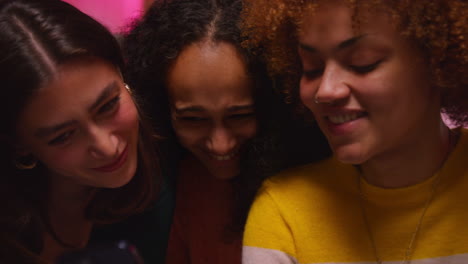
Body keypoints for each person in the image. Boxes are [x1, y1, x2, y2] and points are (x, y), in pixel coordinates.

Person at [241, 0, 468, 263]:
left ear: (438, 61)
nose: (325, 91)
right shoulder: (284, 213)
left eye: (363, 63)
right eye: (312, 68)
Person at [123, 0, 330, 263]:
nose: (220, 145)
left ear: (272, 101)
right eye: (193, 119)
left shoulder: (318, 179)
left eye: (239, 116)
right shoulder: (186, 180)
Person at [0, 0, 160, 263]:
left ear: (123, 74)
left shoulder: (171, 156)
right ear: (19, 144)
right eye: (63, 136)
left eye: (108, 106)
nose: (107, 147)